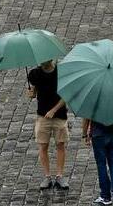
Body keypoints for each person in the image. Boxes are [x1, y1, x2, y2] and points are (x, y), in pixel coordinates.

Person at [27, 60, 69, 190]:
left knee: (60, 144)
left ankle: (60, 176)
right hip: (42, 117)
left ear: (51, 59)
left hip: (59, 116)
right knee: (42, 146)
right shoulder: (35, 74)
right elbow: (34, 92)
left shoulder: (61, 72)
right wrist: (31, 94)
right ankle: (47, 176)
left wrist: (54, 110)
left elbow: (66, 95)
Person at [82, 119, 113, 206]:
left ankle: (105, 197)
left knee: (101, 165)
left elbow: (86, 118)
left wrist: (85, 134)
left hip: (98, 135)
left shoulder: (93, 104)